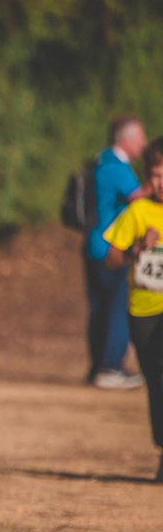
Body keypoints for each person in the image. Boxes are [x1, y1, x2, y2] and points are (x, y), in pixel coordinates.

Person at [101, 135, 163, 482]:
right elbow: (111, 259)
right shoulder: (138, 211)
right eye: (156, 174)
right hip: (144, 312)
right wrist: (137, 247)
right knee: (156, 381)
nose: (162, 182)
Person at [86, 116, 148, 390]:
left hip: (94, 244)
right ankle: (111, 367)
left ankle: (99, 366)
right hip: (111, 247)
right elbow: (141, 200)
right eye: (140, 138)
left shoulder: (100, 161)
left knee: (100, 309)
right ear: (127, 139)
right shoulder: (116, 166)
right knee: (117, 308)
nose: (144, 144)